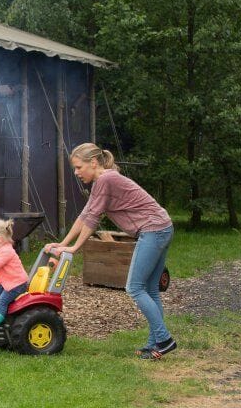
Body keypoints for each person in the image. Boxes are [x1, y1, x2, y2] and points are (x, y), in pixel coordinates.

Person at [46, 143, 176, 360]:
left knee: (134, 287)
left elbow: (93, 218)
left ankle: (164, 340)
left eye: (79, 167)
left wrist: (76, 247)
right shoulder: (102, 181)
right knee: (150, 290)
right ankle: (156, 345)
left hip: (153, 230)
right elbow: (85, 215)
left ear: (93, 163)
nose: (77, 173)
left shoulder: (106, 179)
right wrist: (63, 243)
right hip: (162, 227)